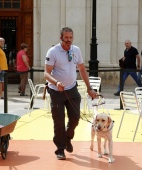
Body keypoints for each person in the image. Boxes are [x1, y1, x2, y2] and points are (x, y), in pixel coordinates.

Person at [44, 27, 97, 160]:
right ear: (61, 38)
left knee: (75, 117)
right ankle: (60, 149)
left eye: (70, 37)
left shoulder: (76, 50)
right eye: (66, 38)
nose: (68, 40)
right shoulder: (53, 52)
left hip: (72, 89)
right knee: (59, 121)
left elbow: (82, 69)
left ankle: (67, 138)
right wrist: (56, 83)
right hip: (57, 91)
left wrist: (89, 88)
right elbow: (46, 73)